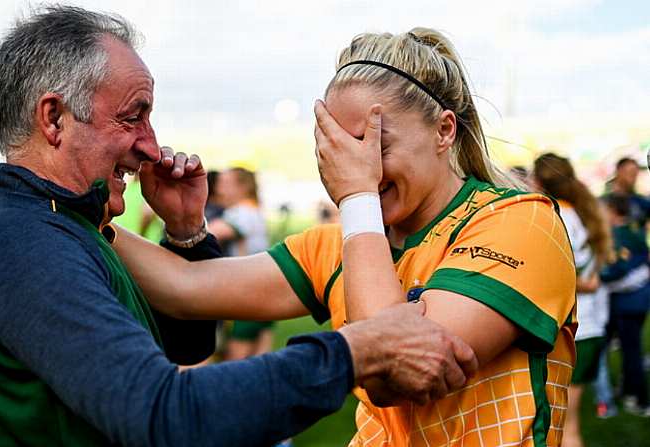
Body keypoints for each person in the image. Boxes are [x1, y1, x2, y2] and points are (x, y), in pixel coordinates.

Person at [0, 6, 477, 446]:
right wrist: (354, 351)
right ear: (54, 119)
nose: (151, 145)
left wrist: (186, 233)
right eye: (133, 116)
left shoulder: (64, 223)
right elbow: (164, 415)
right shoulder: (26, 238)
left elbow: (182, 344)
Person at [113, 28, 576, 446]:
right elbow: (183, 288)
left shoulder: (521, 224)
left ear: (444, 130)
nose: (359, 169)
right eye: (340, 151)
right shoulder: (347, 243)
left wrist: (356, 197)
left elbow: (398, 369)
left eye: (376, 145)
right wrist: (115, 212)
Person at [532, 153, 612, 447]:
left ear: (540, 181)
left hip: (572, 331)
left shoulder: (556, 216)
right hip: (589, 328)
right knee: (566, 426)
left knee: (562, 429)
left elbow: (553, 275)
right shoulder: (580, 210)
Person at [209, 167, 276, 360]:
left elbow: (212, 233)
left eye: (225, 183)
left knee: (235, 361)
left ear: (243, 187)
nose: (219, 188)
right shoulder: (253, 209)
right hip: (264, 286)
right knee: (260, 357)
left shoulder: (242, 212)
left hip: (247, 290)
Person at [601, 194, 650, 416]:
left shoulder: (617, 235)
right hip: (639, 299)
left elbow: (616, 270)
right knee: (631, 348)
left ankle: (638, 398)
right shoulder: (634, 231)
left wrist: (598, 277)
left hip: (627, 302)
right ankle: (628, 388)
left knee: (631, 351)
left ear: (612, 211)